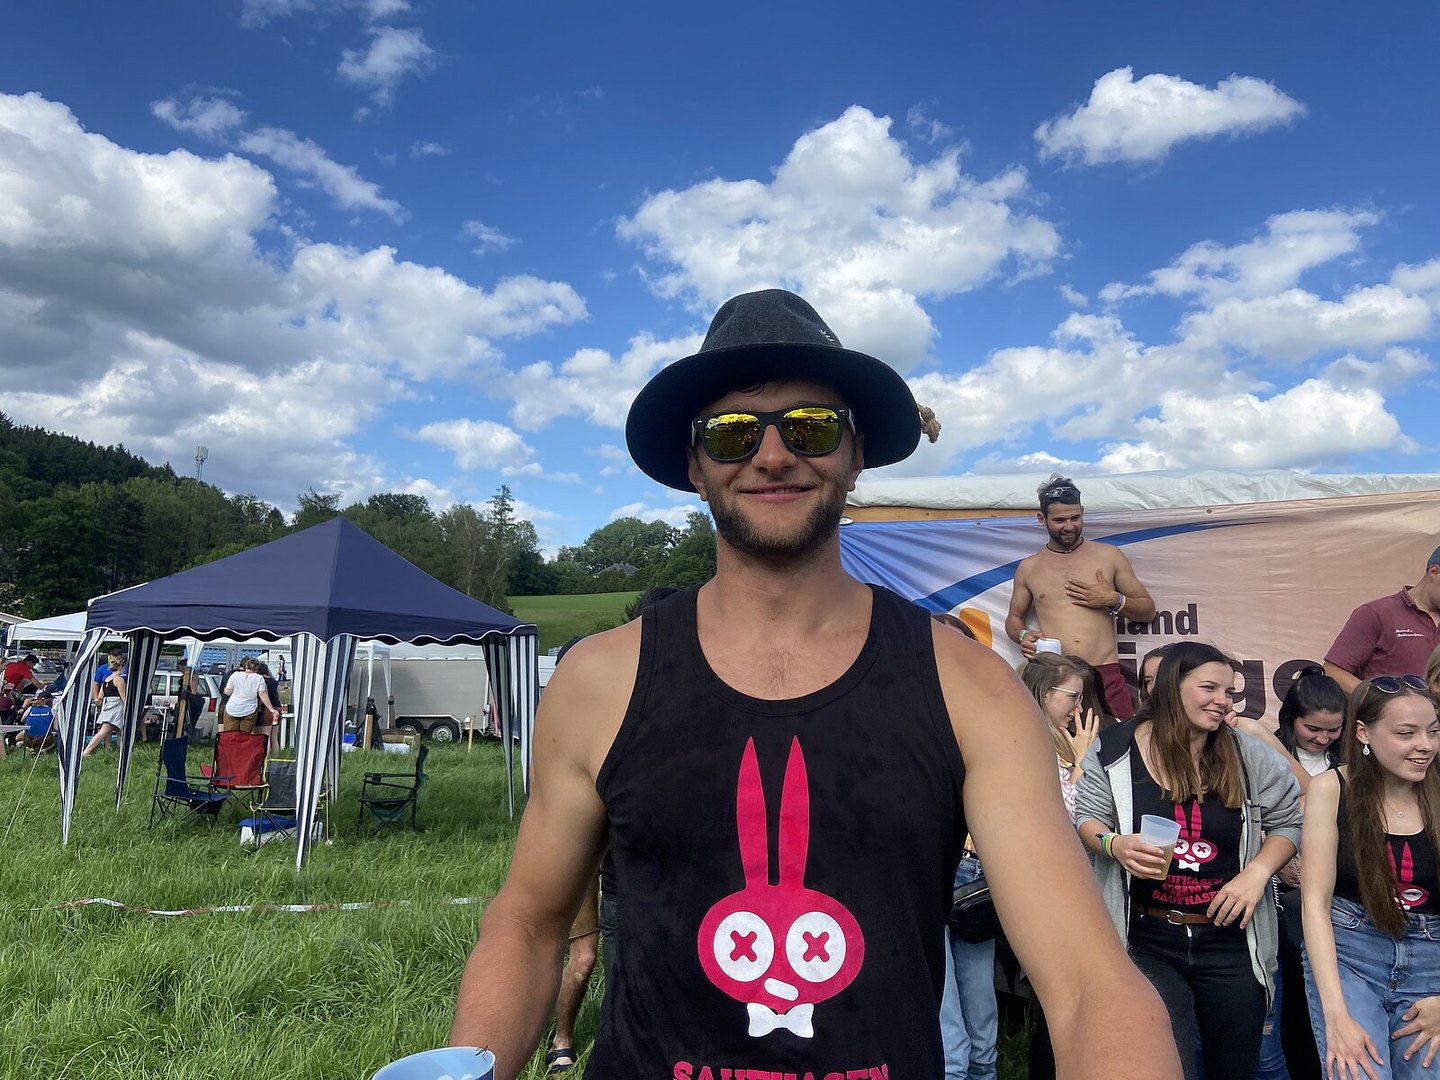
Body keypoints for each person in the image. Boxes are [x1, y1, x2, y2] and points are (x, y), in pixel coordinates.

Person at [450, 288, 1178, 1080]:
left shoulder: (971, 688)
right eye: (732, 432)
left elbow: (1089, 980)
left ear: (856, 453)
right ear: (694, 465)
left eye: (811, 426)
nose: (772, 456)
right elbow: (528, 923)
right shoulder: (599, 680)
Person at [1075, 640, 1303, 1080]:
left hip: (1232, 939)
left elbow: (1288, 824)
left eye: (1229, 691)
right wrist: (1114, 845)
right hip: (1148, 938)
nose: (1223, 701)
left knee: (1235, 1069)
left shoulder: (1247, 754)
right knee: (1166, 1066)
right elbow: (1088, 818)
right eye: (1209, 688)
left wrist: (1257, 874)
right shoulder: (1115, 748)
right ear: (1170, 687)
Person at [1300, 674, 1440, 1079]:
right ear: (1363, 732)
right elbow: (1314, 904)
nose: (1425, 745)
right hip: (1351, 950)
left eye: (1433, 731)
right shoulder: (1331, 788)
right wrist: (1336, 1017)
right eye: (1406, 733)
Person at [1005, 475, 1157, 720]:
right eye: (1059, 520)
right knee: (1058, 742)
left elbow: (1147, 610)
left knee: (1121, 739)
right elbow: (1013, 618)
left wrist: (1114, 600)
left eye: (1075, 518)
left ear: (1083, 512)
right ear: (1042, 519)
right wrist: (1023, 635)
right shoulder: (1029, 568)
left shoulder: (1109, 556)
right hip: (1057, 676)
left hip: (1105, 673)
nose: (1069, 526)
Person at [1018, 653, 1102, 1079]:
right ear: (1043, 693)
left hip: (1075, 884)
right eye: (1072, 697)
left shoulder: (1064, 740)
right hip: (1048, 888)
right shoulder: (1026, 740)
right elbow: (1064, 817)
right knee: (1058, 995)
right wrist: (1082, 762)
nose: (1079, 707)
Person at [1265, 667, 1346, 1080]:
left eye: (1333, 730)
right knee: (1290, 1002)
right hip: (1282, 898)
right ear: (1289, 719)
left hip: (1339, 900)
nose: (1322, 738)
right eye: (1312, 728)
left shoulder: (1352, 761)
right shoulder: (1265, 751)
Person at [1324, 545, 1440, 697]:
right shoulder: (1377, 613)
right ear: (1434, 572)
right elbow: (1333, 671)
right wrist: (1378, 700)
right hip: (1387, 711)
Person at [82, 651, 128, 757]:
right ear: (121, 668)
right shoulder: (119, 680)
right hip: (116, 707)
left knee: (120, 731)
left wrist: (97, 701)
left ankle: (121, 752)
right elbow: (123, 697)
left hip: (107, 705)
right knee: (103, 731)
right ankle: (86, 751)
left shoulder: (107, 680)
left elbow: (100, 696)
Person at [221, 657, 278, 734]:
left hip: (233, 708)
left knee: (230, 734)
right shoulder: (259, 678)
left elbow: (228, 692)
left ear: (246, 666)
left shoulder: (235, 675)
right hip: (249, 710)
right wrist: (271, 709)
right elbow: (262, 694)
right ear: (256, 669)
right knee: (245, 736)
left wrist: (226, 690)